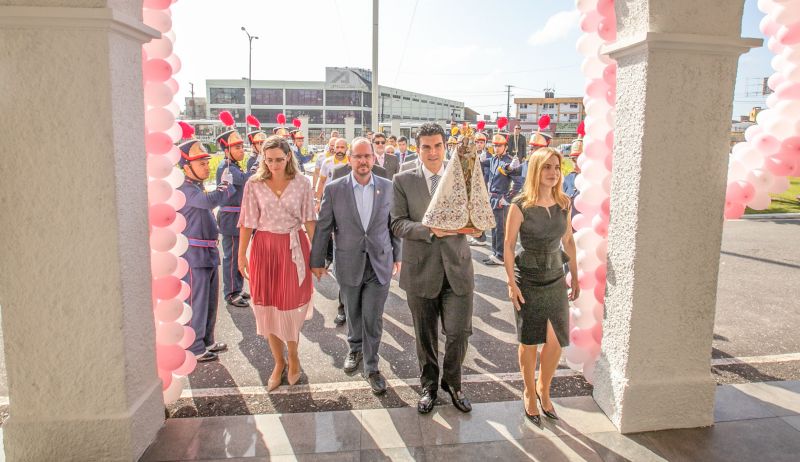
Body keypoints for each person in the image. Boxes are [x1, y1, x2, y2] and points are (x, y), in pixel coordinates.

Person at [391, 123, 477, 415]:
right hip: (421, 271)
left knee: (459, 333)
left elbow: (476, 216)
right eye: (426, 146)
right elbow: (397, 223)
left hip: (458, 270)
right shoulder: (403, 180)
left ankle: (452, 382)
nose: (432, 151)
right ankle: (428, 385)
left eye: (437, 145)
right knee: (425, 336)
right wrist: (429, 229)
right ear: (418, 149)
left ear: (445, 147)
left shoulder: (461, 179)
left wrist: (478, 227)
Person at [310, 138, 401, 395]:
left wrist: (398, 255)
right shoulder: (334, 188)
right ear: (349, 159)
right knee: (353, 312)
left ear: (374, 158)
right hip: (348, 262)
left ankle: (372, 367)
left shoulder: (388, 187)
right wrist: (317, 260)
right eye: (358, 156)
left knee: (373, 317)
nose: (363, 161)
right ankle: (355, 348)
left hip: (379, 262)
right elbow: (324, 226)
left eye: (367, 156)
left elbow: (394, 224)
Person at [503, 147, 579, 426]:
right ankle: (528, 391)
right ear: (536, 170)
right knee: (530, 340)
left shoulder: (564, 202)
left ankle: (543, 388)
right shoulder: (520, 205)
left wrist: (576, 275)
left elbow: (568, 240)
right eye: (547, 167)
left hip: (556, 277)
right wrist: (512, 284)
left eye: (557, 167)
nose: (553, 173)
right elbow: (509, 246)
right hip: (529, 278)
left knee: (556, 340)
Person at [237, 135, 317, 391]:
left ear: (289, 157)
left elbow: (310, 221)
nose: (274, 165)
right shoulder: (254, 184)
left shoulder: (303, 183)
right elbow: (247, 222)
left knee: (291, 308)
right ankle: (278, 362)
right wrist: (241, 255)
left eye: (279, 160)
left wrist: (318, 256)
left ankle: (293, 357)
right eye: (269, 160)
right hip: (263, 250)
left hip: (293, 248)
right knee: (267, 307)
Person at [176, 137, 236, 362]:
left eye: (206, 162)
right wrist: (226, 187)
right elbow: (209, 201)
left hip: (208, 252)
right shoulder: (184, 188)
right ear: (187, 166)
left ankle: (206, 340)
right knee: (197, 302)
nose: (206, 166)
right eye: (201, 163)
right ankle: (194, 347)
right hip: (194, 254)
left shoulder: (194, 186)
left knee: (210, 301)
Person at [215, 123, 252, 308]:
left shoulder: (234, 165)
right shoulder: (226, 167)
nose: (242, 150)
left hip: (237, 217)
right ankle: (231, 293)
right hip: (231, 218)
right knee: (231, 256)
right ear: (227, 149)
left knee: (239, 253)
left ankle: (237, 287)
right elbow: (245, 182)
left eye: (242, 147)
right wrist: (255, 171)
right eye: (237, 147)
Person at [481, 133, 518, 266]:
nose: (496, 148)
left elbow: (518, 183)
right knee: (494, 227)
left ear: (505, 146)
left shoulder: (508, 162)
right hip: (492, 197)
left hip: (501, 198)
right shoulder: (493, 159)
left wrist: (507, 198)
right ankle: (496, 253)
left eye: (499, 146)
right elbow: (480, 167)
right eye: (495, 145)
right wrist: (480, 159)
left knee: (500, 229)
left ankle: (501, 256)